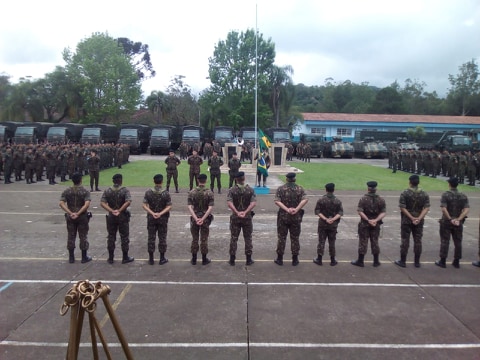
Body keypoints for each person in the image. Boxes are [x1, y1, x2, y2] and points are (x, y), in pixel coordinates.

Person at [394, 174, 430, 268]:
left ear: (410, 182)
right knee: (418, 241)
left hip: (407, 220)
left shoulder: (405, 193)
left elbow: (403, 208)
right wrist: (419, 218)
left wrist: (411, 217)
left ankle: (403, 261)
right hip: (419, 220)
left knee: (405, 240)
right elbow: (426, 208)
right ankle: (417, 262)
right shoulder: (424, 193)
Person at [274, 172, 308, 266]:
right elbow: (305, 199)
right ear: (295, 179)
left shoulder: (281, 189)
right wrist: (296, 209)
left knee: (281, 238)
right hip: (295, 217)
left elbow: (277, 201)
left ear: (286, 179)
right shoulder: (299, 189)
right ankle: (295, 259)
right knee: (295, 238)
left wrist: (287, 209)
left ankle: (279, 258)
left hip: (283, 217)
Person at [435, 177, 470, 268]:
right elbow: (466, 209)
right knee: (458, 241)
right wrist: (459, 219)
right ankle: (456, 261)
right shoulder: (463, 195)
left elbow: (443, 209)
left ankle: (443, 261)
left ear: (449, 184)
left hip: (447, 221)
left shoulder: (446, 195)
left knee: (445, 241)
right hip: (458, 222)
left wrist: (450, 219)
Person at [100, 173, 134, 264]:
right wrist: (119, 210)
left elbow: (102, 203)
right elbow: (128, 201)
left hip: (111, 216)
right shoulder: (125, 190)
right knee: (124, 237)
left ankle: (111, 257)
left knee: (111, 236)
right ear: (121, 181)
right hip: (122, 216)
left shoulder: (108, 190)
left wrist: (111, 210)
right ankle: (125, 257)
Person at [59, 172, 92, 264]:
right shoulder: (85, 191)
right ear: (80, 180)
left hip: (70, 216)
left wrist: (70, 213)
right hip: (82, 217)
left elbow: (61, 203)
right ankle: (84, 257)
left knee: (71, 236)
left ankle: (71, 257)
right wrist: (78, 213)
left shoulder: (67, 191)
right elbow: (87, 204)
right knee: (83, 236)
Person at [351, 181, 386, 267]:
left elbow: (360, 211)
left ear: (368, 188)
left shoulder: (363, 199)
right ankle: (376, 261)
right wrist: (375, 220)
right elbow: (383, 212)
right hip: (376, 224)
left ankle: (360, 260)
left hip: (364, 224)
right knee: (375, 241)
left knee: (363, 241)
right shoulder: (381, 199)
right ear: (376, 189)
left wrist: (368, 220)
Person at [226, 171, 257, 266]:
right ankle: (248, 259)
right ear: (244, 178)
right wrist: (245, 211)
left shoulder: (232, 190)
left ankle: (232, 259)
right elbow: (253, 203)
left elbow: (229, 203)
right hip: (247, 218)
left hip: (235, 217)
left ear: (236, 179)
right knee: (248, 238)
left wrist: (237, 212)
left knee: (234, 238)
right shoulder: (250, 190)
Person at [142, 174, 172, 265]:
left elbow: (144, 205)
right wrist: (160, 213)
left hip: (151, 218)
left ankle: (151, 259)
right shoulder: (165, 193)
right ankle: (162, 258)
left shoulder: (148, 192)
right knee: (162, 237)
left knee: (151, 237)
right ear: (162, 181)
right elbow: (169, 206)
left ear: (154, 181)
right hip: (162, 218)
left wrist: (152, 213)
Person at [313, 183, 343, 266]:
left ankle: (319, 259)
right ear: (333, 190)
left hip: (323, 224)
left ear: (326, 190)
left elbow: (317, 211)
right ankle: (332, 260)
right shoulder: (337, 201)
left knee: (321, 241)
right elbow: (340, 212)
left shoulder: (321, 200)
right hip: (333, 225)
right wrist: (332, 219)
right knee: (332, 242)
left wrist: (325, 219)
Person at [187, 173, 214, 265]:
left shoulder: (192, 192)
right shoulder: (209, 192)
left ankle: (194, 259)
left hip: (195, 218)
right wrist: (202, 218)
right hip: (205, 219)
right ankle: (204, 259)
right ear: (205, 180)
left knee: (195, 238)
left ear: (198, 180)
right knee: (204, 239)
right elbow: (210, 208)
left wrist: (196, 218)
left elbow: (190, 207)